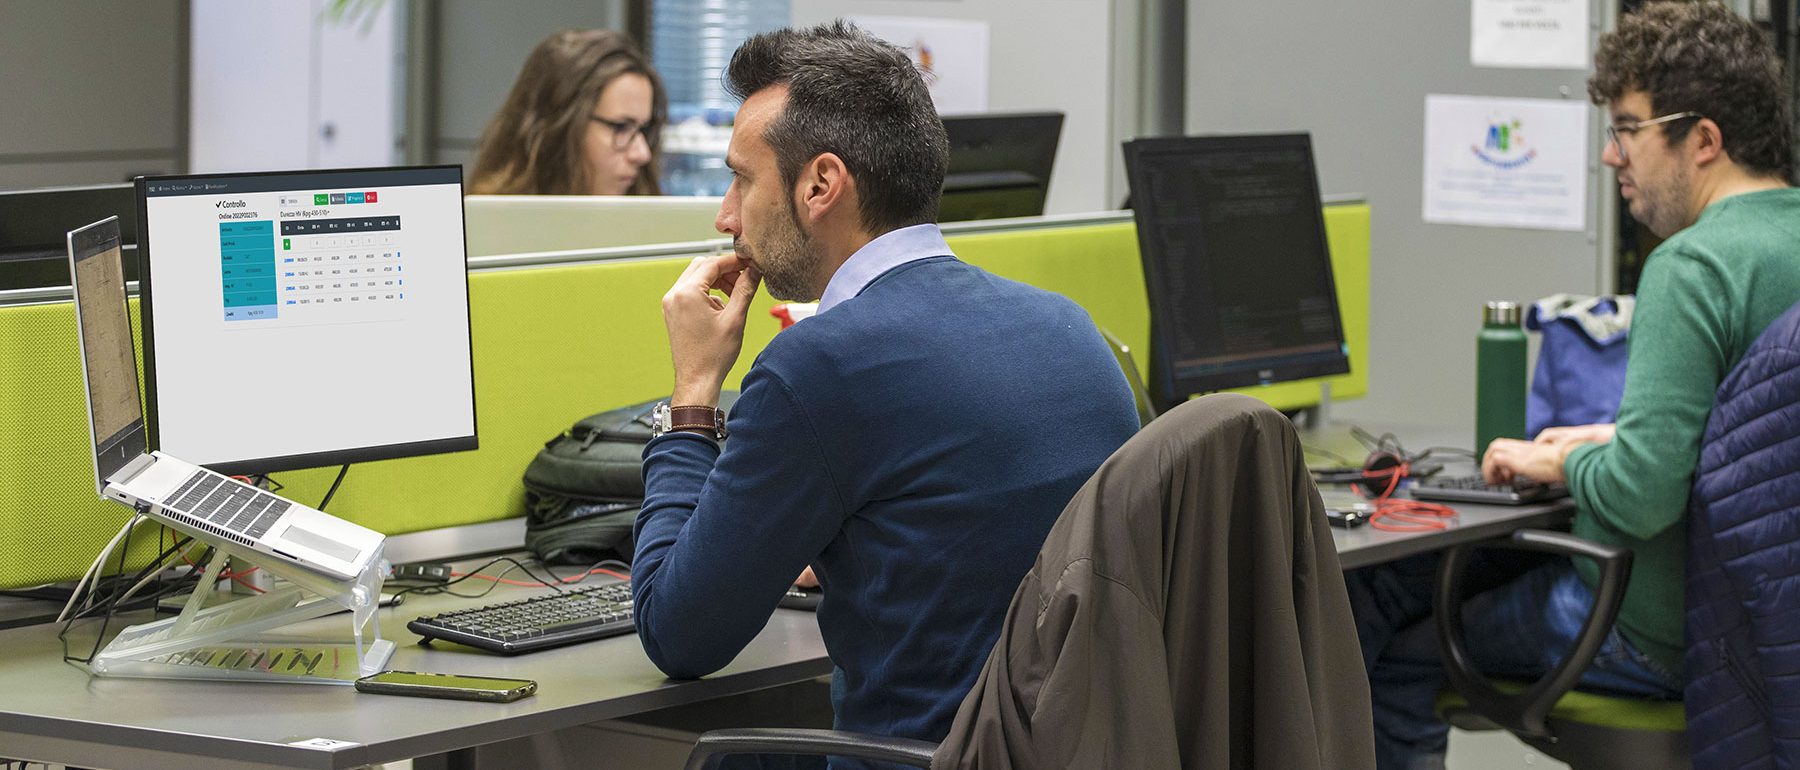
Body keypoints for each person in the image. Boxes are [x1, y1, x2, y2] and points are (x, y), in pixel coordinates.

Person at [628, 19, 1141, 766]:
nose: (725, 216)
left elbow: (677, 634)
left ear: (820, 185)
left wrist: (693, 396)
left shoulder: (819, 366)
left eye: (742, 179)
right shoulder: (1068, 327)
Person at [1349, 2, 1800, 767]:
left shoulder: (1693, 267)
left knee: (1397, 651)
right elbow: (1755, 437)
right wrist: (1614, 438)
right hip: (1766, 624)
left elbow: (1644, 496)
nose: (1611, 155)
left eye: (1627, 129)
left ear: (1703, 140)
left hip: (1658, 631)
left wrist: (1563, 461)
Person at [469, 29, 666, 196]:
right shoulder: (477, 225)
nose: (642, 154)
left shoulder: (651, 224)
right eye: (621, 127)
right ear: (557, 130)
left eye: (644, 129)